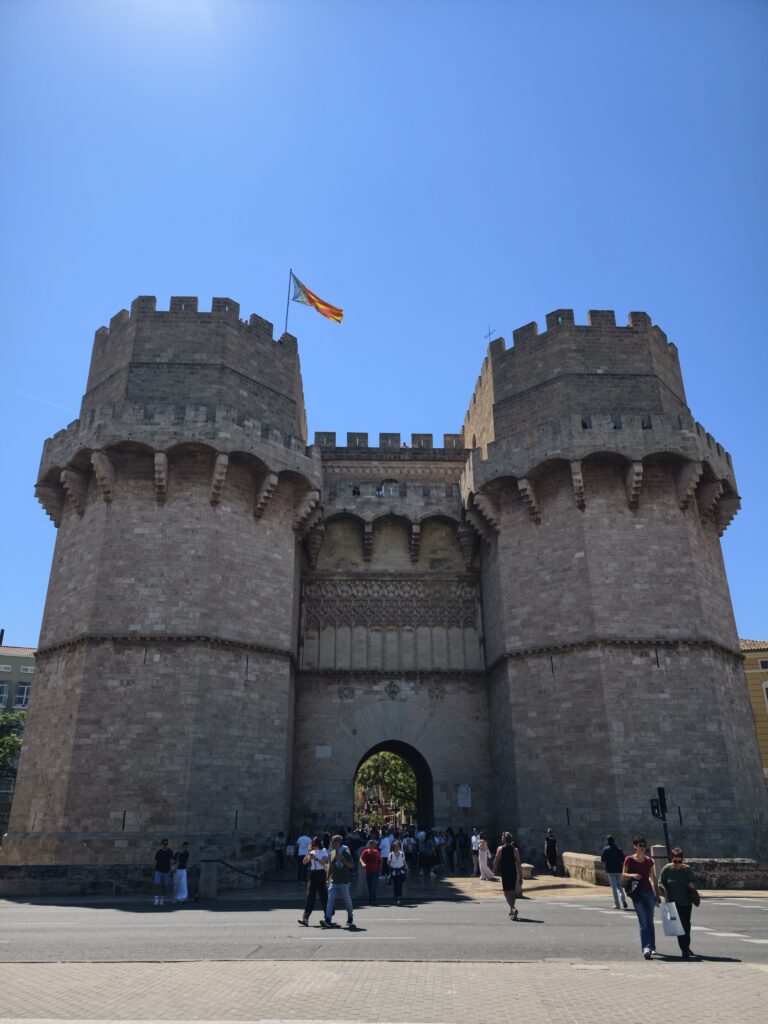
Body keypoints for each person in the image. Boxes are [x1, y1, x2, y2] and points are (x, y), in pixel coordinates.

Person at [622, 835, 661, 959]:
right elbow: (623, 874)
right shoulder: (629, 859)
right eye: (640, 845)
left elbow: (654, 878)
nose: (643, 848)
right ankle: (646, 948)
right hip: (637, 894)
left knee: (650, 922)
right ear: (635, 846)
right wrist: (633, 875)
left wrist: (658, 894)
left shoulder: (649, 860)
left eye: (644, 845)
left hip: (649, 892)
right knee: (643, 922)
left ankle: (652, 947)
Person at [658, 847, 698, 959]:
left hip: (686, 902)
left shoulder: (687, 869)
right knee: (679, 928)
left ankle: (686, 946)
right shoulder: (667, 869)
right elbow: (660, 881)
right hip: (673, 904)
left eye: (679, 861)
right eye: (675, 861)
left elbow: (695, 882)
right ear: (671, 859)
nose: (677, 864)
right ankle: (684, 950)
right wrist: (662, 888)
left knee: (686, 926)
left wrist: (691, 884)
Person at [321, 834, 355, 929]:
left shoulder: (345, 851)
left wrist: (343, 860)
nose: (332, 843)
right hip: (334, 881)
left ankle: (350, 916)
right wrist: (327, 879)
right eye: (332, 842)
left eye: (334, 842)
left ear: (339, 843)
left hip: (344, 881)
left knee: (346, 900)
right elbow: (330, 867)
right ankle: (328, 919)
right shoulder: (331, 853)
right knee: (330, 900)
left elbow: (351, 866)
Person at [298, 835, 329, 926]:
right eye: (312, 844)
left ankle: (328, 916)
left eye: (314, 844)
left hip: (321, 874)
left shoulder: (324, 851)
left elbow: (323, 862)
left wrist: (315, 858)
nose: (313, 846)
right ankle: (305, 918)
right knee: (310, 896)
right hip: (312, 874)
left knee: (323, 896)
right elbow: (304, 862)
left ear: (318, 844)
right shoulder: (311, 851)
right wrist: (308, 853)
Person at [493, 832, 522, 919]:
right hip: (513, 872)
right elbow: (519, 864)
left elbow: (496, 860)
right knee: (512, 892)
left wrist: (494, 869)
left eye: (502, 837)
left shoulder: (500, 849)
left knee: (506, 893)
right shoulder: (515, 850)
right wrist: (521, 877)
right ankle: (511, 911)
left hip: (505, 872)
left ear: (504, 839)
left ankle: (513, 908)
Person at [600, 834, 628, 910]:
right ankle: (623, 900)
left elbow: (602, 860)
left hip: (610, 870)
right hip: (618, 869)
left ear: (607, 841)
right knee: (619, 885)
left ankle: (617, 904)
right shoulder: (619, 849)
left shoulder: (605, 849)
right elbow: (623, 859)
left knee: (614, 887)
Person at [359, 837, 382, 905]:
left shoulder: (376, 852)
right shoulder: (365, 851)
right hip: (368, 871)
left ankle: (373, 899)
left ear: (374, 845)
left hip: (375, 871)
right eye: (370, 844)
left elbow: (380, 860)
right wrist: (363, 863)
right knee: (369, 886)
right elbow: (361, 858)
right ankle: (370, 898)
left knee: (373, 886)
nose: (371, 845)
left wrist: (380, 868)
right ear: (368, 845)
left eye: (373, 844)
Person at [152, 838, 174, 906]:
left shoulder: (170, 851)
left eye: (166, 843)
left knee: (164, 886)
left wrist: (170, 871)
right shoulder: (159, 852)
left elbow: (171, 862)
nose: (165, 845)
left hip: (166, 872)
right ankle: (156, 900)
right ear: (161, 844)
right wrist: (154, 871)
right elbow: (155, 862)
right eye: (164, 843)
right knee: (157, 885)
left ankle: (161, 900)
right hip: (158, 871)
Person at [387, 838, 407, 905]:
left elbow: (404, 861)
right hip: (394, 872)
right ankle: (397, 897)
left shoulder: (402, 854)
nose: (396, 847)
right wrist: (391, 867)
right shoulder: (391, 854)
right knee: (396, 885)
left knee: (400, 885)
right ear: (393, 847)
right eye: (395, 846)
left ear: (399, 847)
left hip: (401, 872)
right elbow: (388, 862)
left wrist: (406, 867)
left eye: (397, 846)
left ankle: (399, 898)